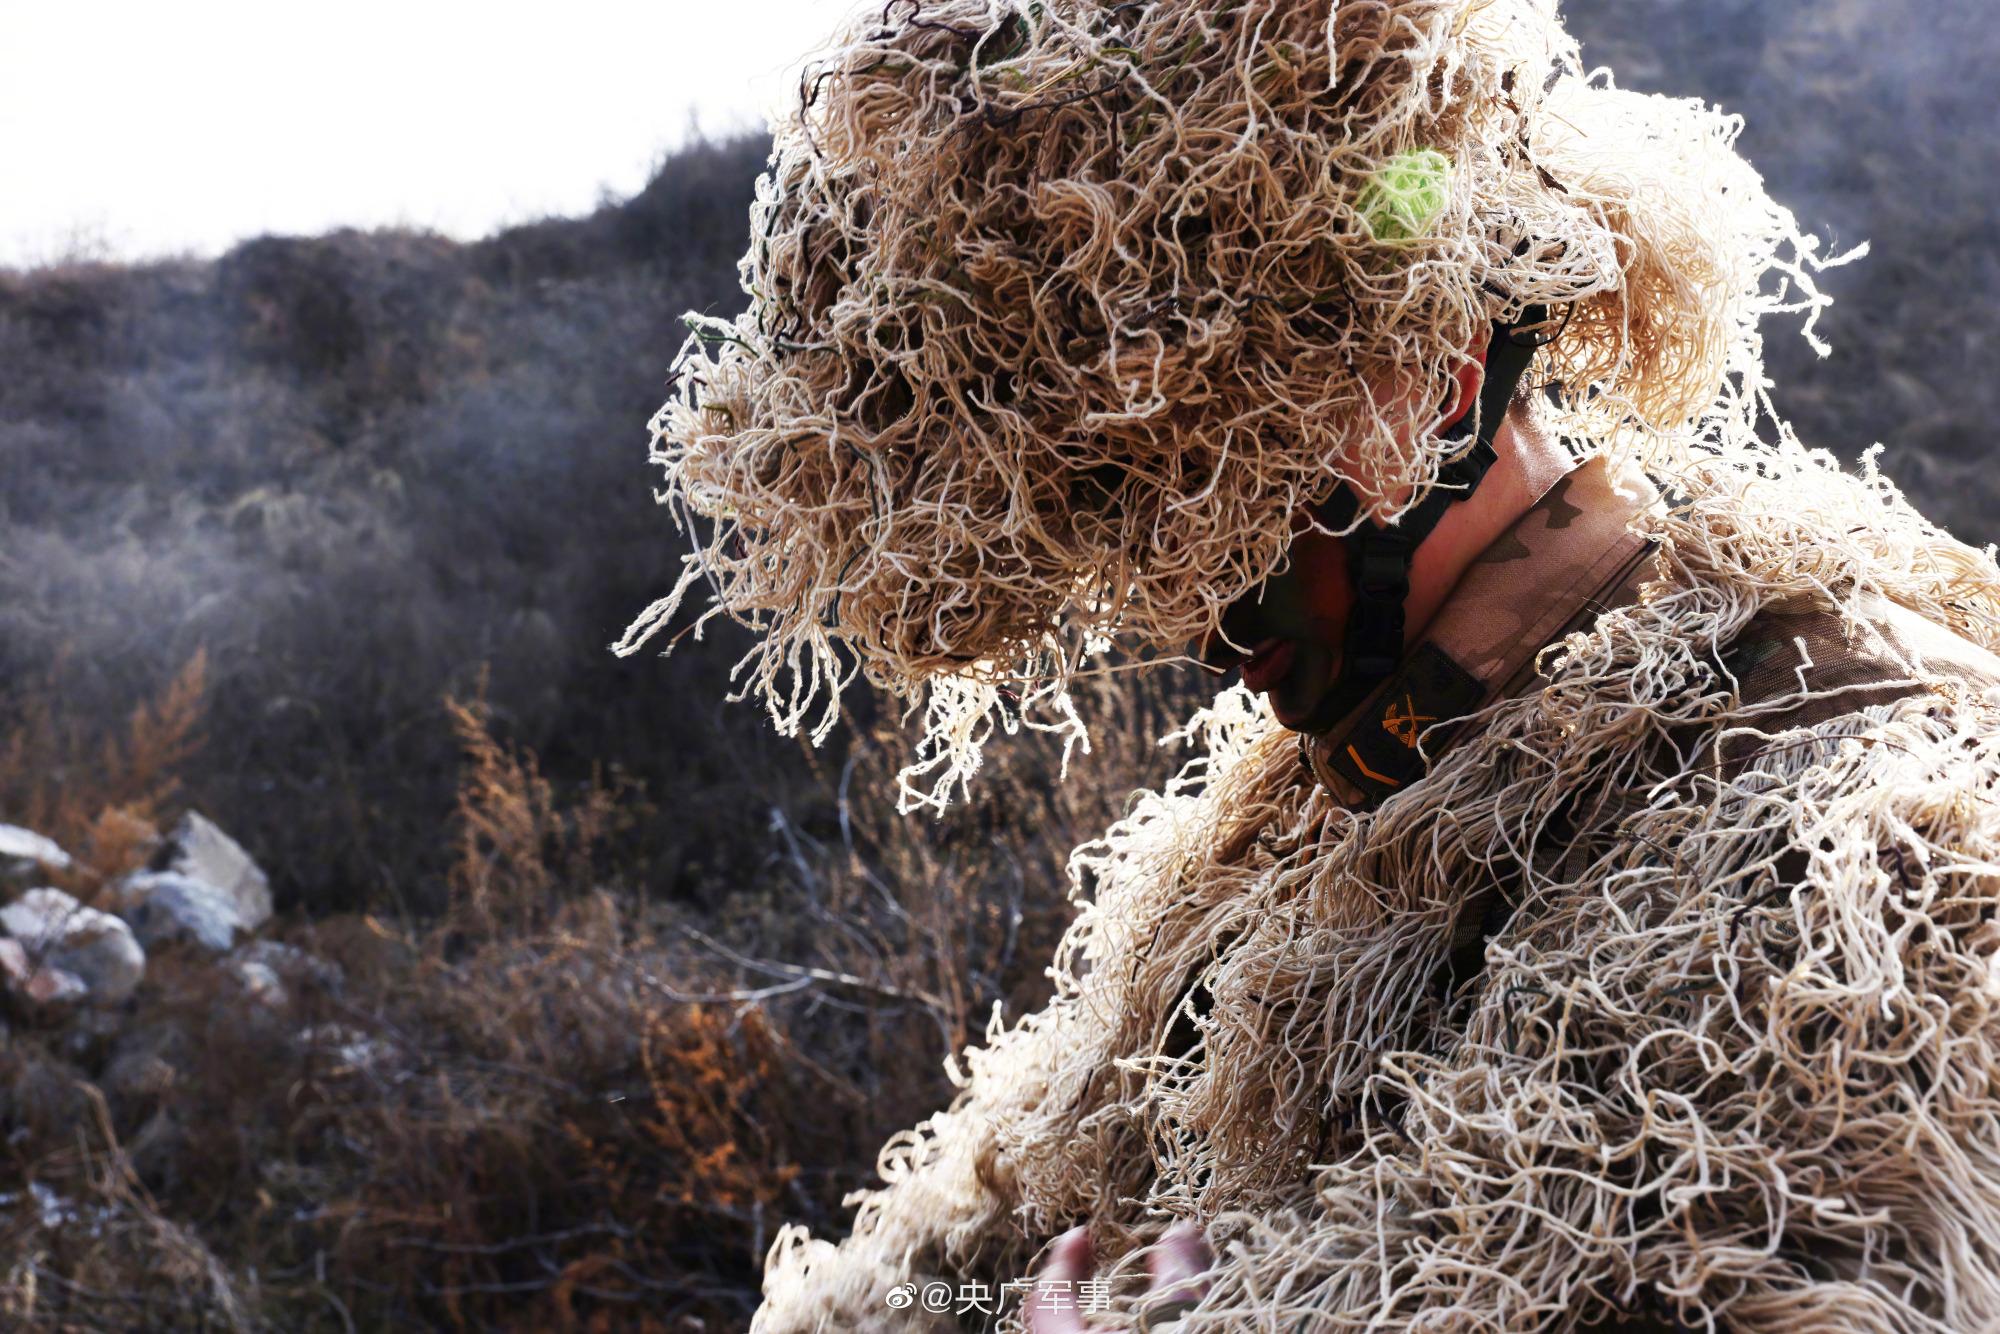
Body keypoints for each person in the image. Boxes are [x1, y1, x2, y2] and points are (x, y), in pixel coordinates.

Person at [618, 1, 2000, 1327]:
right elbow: (964, 1277)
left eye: (1220, 495)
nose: (1186, 611)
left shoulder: (1860, 842)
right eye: (1122, 524)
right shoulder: (1290, 841)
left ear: (1436, 381)